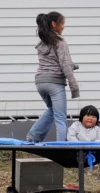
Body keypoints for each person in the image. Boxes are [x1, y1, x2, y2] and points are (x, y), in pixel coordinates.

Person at [26, 12, 80, 143]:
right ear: (53, 24)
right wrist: (74, 87)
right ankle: (61, 148)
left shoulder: (42, 42)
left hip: (40, 82)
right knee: (61, 118)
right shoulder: (59, 41)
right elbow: (64, 65)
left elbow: (55, 62)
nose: (63, 27)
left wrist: (73, 65)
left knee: (52, 110)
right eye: (62, 23)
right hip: (54, 83)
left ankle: (33, 136)